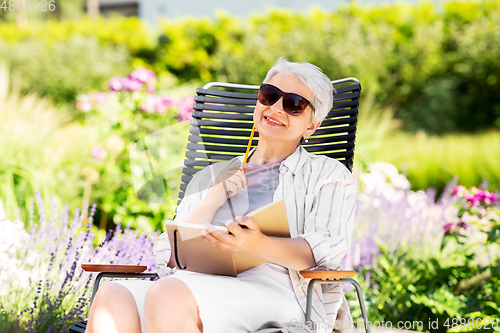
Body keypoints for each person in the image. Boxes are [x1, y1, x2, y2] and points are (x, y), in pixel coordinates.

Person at [86, 58, 356, 333]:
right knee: (113, 296)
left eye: (294, 104)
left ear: (312, 126)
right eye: (269, 96)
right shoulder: (212, 175)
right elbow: (170, 255)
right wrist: (214, 196)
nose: (275, 108)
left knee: (169, 294)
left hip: (281, 291)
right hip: (196, 281)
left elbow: (323, 252)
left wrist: (256, 244)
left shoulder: (327, 175)